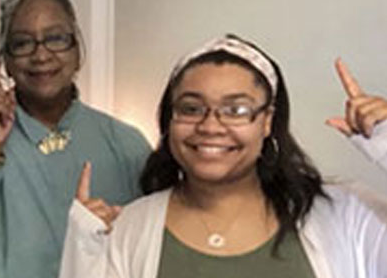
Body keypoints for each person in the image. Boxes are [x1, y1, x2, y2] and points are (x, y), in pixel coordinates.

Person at [60, 35, 387, 278]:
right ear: (169, 120)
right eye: (191, 108)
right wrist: (84, 251)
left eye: (236, 110)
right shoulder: (132, 228)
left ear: (268, 120)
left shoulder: (341, 214)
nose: (210, 125)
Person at [0, 0, 151, 278]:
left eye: (56, 38)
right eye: (22, 43)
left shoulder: (127, 144)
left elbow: (150, 256)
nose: (41, 55)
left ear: (78, 51)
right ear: (5, 62)